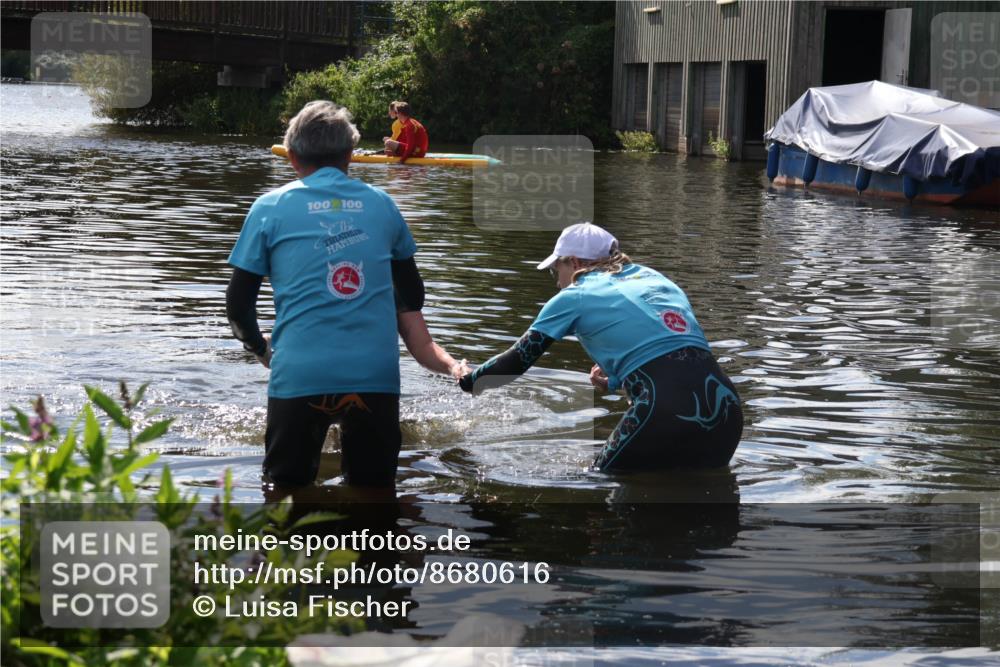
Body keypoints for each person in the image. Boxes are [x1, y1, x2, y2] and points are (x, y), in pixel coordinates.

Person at [226, 100, 466, 489]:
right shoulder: (383, 205)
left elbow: (238, 308)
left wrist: (260, 348)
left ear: (291, 157)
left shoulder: (269, 207)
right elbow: (413, 295)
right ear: (350, 155)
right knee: (374, 494)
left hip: (300, 374)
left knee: (285, 496)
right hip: (374, 377)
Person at [458, 222, 743, 472]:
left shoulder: (575, 295)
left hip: (661, 406)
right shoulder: (657, 279)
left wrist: (469, 379)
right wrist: (617, 381)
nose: (557, 282)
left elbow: (515, 362)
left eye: (557, 270)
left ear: (574, 262)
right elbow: (673, 353)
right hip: (727, 407)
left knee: (602, 487)